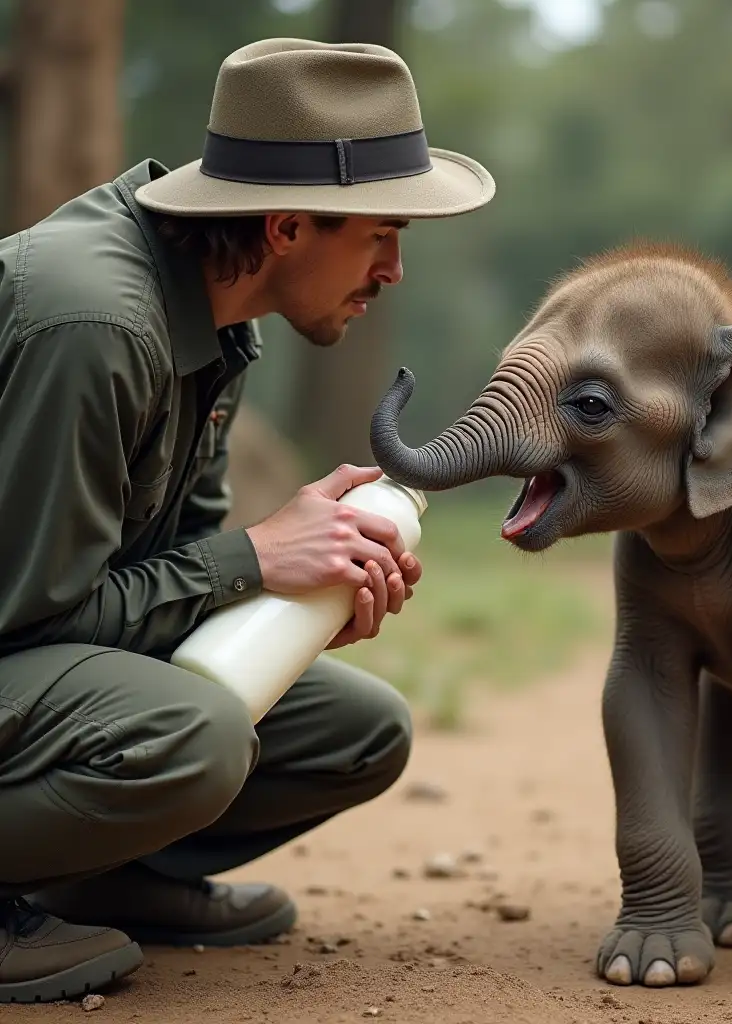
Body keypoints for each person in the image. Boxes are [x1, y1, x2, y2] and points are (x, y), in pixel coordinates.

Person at [0, 38, 495, 1003]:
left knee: (357, 730)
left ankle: (110, 875)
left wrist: (298, 594)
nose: (394, 269)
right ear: (285, 226)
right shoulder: (93, 326)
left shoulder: (222, 319)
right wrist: (252, 560)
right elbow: (26, 614)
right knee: (198, 734)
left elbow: (167, 570)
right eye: (380, 232)